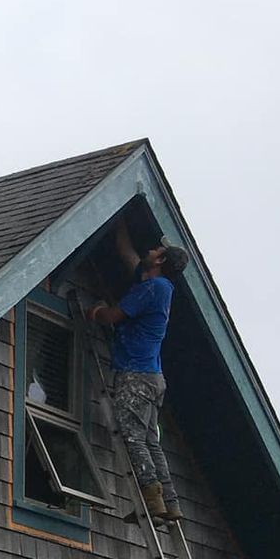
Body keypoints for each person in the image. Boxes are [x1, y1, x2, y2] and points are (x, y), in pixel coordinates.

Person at [88, 221, 191, 522]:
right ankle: (170, 503)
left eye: (156, 250)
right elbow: (128, 254)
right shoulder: (158, 285)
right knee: (149, 440)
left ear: (159, 261)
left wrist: (95, 312)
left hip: (136, 374)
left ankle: (152, 501)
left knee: (133, 437)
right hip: (152, 376)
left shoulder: (153, 288)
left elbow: (114, 316)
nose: (150, 249)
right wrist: (121, 222)